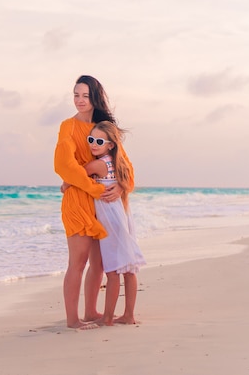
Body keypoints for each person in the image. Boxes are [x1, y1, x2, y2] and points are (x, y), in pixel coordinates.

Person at [54, 75, 134, 329]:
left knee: (99, 263)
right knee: (77, 262)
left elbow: (124, 165)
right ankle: (72, 320)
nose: (79, 100)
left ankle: (90, 311)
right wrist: (88, 185)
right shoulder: (67, 126)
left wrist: (121, 186)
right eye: (76, 95)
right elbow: (64, 164)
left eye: (85, 95)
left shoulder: (104, 127)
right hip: (79, 200)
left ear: (95, 98)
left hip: (103, 205)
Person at [84, 121, 145, 325]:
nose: (93, 144)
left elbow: (75, 175)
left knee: (112, 271)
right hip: (123, 218)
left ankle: (108, 318)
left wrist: (66, 184)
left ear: (110, 145)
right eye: (90, 139)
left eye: (99, 141)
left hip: (111, 223)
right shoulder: (118, 164)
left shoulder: (99, 164)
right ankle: (128, 315)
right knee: (129, 269)